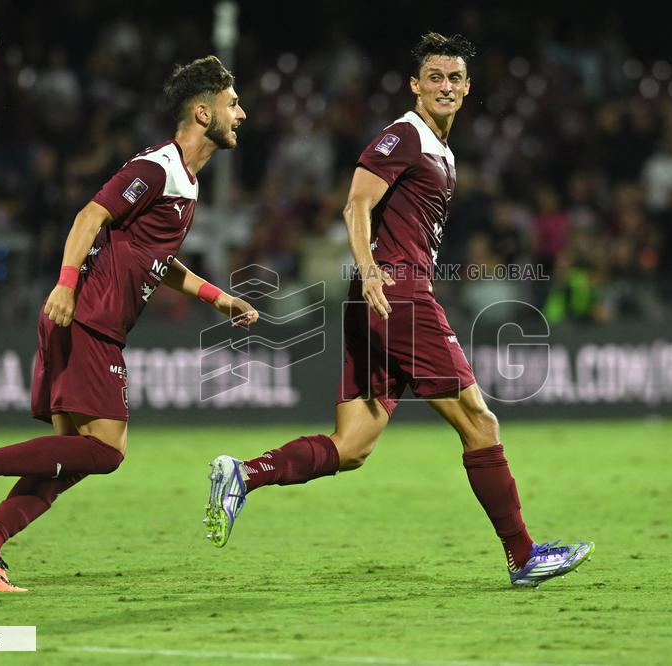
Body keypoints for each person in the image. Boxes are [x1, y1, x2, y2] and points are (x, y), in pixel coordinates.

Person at [205, 33, 594, 587]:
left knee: (352, 446)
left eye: (455, 78)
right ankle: (524, 556)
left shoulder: (441, 150)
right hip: (398, 293)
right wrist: (368, 269)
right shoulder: (403, 136)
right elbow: (356, 202)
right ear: (415, 85)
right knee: (480, 422)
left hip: (382, 302)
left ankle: (243, 475)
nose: (445, 86)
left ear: (467, 88)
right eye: (434, 77)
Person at [0, 55, 259, 592]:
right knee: (107, 451)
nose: (241, 114)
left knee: (71, 459)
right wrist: (65, 284)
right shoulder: (158, 167)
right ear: (203, 114)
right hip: (87, 315)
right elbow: (90, 216)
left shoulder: (185, 182)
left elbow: (157, 260)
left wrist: (216, 297)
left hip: (89, 317)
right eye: (233, 103)